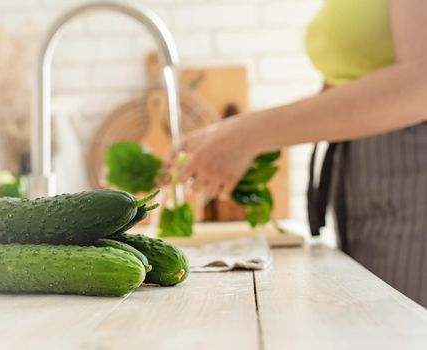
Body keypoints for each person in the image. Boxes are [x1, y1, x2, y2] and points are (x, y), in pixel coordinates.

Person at [167, 0, 427, 306]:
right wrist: (234, 134)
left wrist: (250, 134)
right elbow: (348, 86)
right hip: (366, 169)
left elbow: (420, 82)